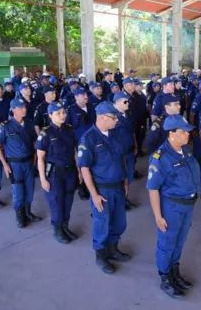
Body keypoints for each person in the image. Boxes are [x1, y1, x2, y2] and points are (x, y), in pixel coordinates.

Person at [146, 114, 200, 299]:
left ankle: (174, 271)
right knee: (167, 243)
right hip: (172, 207)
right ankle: (165, 278)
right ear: (171, 134)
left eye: (188, 132)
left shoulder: (185, 151)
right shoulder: (160, 158)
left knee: (179, 240)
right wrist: (158, 217)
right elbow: (153, 189)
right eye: (183, 132)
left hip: (187, 205)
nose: (187, 135)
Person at [77, 101, 130, 274]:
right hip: (102, 189)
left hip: (118, 186)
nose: (116, 120)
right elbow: (84, 168)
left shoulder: (115, 134)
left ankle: (113, 249)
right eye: (113, 117)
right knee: (102, 222)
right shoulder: (89, 138)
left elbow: (121, 158)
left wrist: (125, 182)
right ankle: (101, 254)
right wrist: (94, 194)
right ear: (101, 117)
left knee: (119, 221)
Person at [36, 101, 80, 243]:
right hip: (54, 175)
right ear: (50, 115)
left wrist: (79, 170)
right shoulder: (46, 133)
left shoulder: (69, 129)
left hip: (70, 172)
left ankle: (65, 226)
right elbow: (40, 157)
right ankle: (57, 230)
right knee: (56, 202)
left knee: (68, 200)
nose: (62, 116)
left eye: (63, 112)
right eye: (58, 113)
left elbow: (74, 151)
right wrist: (43, 179)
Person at [0, 98, 42, 229]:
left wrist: (35, 157)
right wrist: (4, 164)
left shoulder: (29, 124)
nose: (24, 109)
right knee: (18, 191)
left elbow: (34, 142)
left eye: (25, 107)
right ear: (13, 109)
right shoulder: (5, 126)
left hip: (28, 162)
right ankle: (20, 216)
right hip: (15, 165)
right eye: (21, 107)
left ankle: (28, 212)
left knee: (29, 188)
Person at [67, 88, 95, 201]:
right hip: (79, 143)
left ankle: (91, 186)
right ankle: (82, 187)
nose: (85, 96)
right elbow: (68, 128)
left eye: (86, 94)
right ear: (76, 97)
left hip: (92, 141)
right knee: (82, 165)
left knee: (92, 163)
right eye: (82, 95)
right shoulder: (71, 110)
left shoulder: (91, 107)